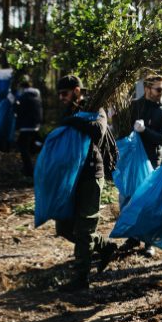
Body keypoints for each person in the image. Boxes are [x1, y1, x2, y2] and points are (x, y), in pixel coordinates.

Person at [55, 75, 117, 291]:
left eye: (65, 93)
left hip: (91, 174)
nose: (62, 97)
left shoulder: (94, 108)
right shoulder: (68, 111)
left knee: (84, 227)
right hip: (72, 177)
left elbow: (98, 131)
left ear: (77, 91)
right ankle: (105, 246)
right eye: (59, 94)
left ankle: (81, 279)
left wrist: (75, 121)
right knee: (64, 227)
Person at [122, 74, 162, 257]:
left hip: (151, 161)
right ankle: (133, 237)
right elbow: (124, 129)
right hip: (131, 161)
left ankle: (148, 242)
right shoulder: (135, 106)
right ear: (147, 88)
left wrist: (145, 131)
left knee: (147, 201)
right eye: (158, 89)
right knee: (129, 200)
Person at [13, 76, 43, 177]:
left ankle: (29, 171)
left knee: (22, 147)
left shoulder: (24, 97)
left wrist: (14, 103)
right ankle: (36, 164)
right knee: (33, 145)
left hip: (26, 126)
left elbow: (18, 111)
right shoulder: (36, 96)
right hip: (35, 126)